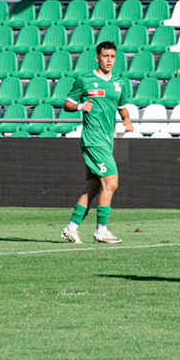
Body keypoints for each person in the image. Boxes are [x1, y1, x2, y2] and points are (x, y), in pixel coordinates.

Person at [60, 41, 135, 244]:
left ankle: (71, 227)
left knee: (93, 188)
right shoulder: (85, 81)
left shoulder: (119, 82)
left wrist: (126, 119)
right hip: (93, 141)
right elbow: (67, 104)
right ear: (97, 58)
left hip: (106, 140)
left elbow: (122, 105)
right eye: (105, 56)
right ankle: (101, 230)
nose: (109, 60)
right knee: (111, 182)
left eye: (112, 56)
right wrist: (81, 106)